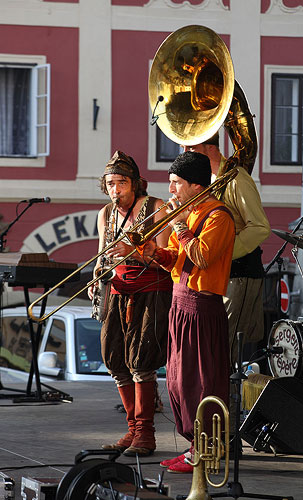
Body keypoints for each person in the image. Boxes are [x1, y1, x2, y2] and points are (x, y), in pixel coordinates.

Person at [143, 151, 235, 473]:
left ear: (196, 185)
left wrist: (180, 227)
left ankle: (207, 449)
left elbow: (204, 257)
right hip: (180, 301)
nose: (170, 191)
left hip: (201, 306)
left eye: (175, 183)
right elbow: (180, 260)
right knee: (179, 381)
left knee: (201, 382)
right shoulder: (191, 212)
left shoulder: (218, 216)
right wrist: (153, 251)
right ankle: (195, 446)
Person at [183, 132, 271, 435]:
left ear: (210, 148)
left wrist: (221, 252)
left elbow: (259, 227)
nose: (183, 151)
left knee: (224, 355)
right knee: (212, 355)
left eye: (190, 146)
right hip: (214, 278)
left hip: (238, 275)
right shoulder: (200, 182)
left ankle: (224, 433)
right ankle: (212, 429)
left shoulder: (236, 179)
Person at [88, 150, 172, 457]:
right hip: (117, 291)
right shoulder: (105, 214)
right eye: (110, 184)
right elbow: (102, 256)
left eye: (121, 183)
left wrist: (132, 252)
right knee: (115, 361)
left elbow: (166, 260)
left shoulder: (157, 208)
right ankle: (133, 429)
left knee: (141, 361)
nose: (115, 190)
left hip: (151, 292)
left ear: (135, 183)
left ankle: (146, 435)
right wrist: (97, 273)